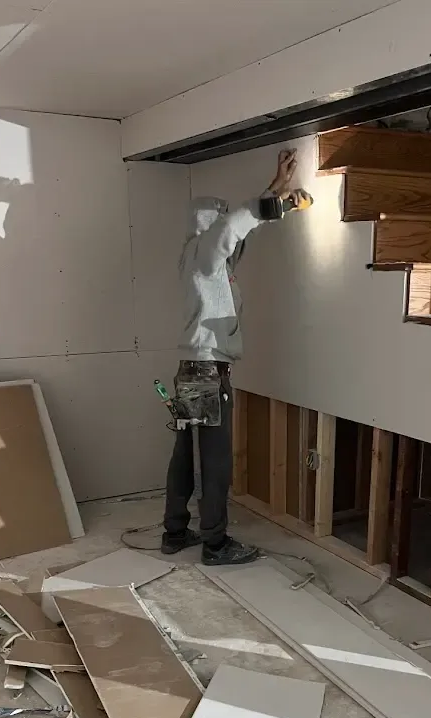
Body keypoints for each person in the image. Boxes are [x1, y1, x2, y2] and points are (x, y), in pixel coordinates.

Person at [161, 149, 305, 565]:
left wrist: (275, 189)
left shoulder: (204, 261)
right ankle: (216, 544)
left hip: (192, 371)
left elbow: (240, 234)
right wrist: (280, 202)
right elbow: (231, 229)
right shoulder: (205, 257)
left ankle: (175, 532)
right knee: (216, 462)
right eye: (222, 219)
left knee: (185, 455)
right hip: (208, 373)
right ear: (211, 224)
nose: (231, 234)